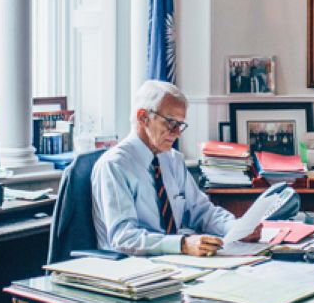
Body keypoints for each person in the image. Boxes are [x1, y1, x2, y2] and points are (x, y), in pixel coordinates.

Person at [91, 79, 241, 257]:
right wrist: (182, 245)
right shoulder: (114, 165)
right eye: (171, 122)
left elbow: (201, 211)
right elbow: (123, 238)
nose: (177, 133)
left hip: (173, 262)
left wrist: (237, 228)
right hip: (132, 267)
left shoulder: (172, 159)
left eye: (180, 125)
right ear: (143, 118)